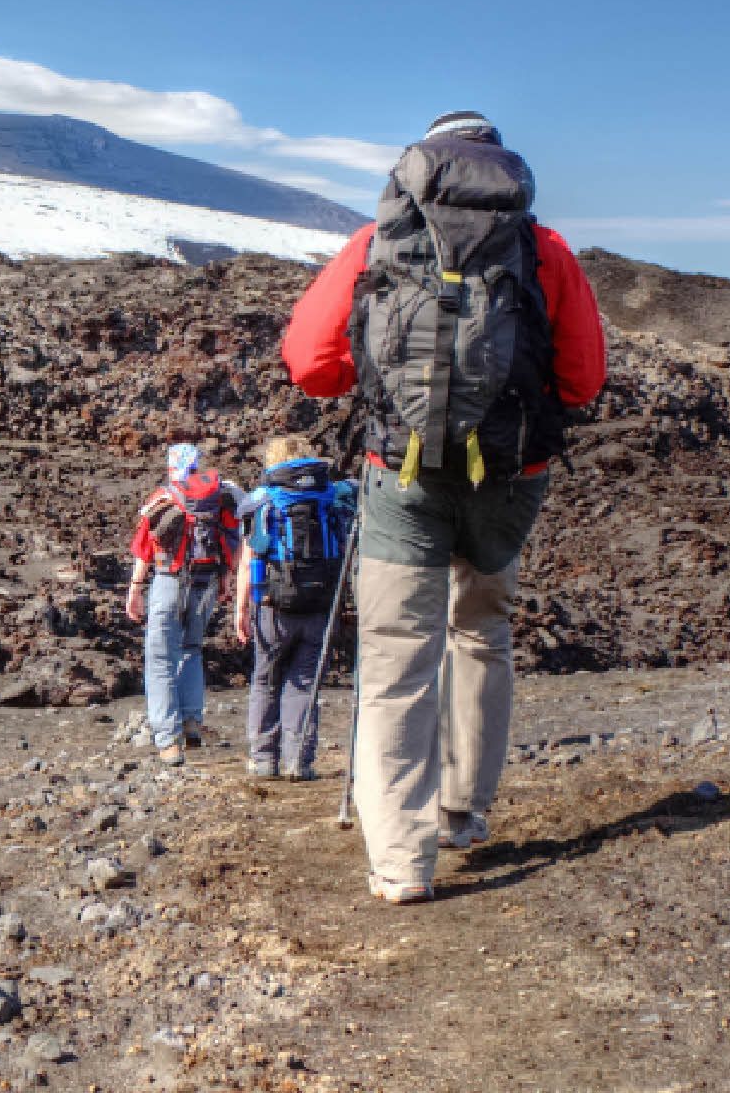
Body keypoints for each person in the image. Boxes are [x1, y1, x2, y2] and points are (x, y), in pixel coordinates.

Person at [282, 110, 607, 904]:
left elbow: (310, 365)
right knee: (481, 632)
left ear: (420, 164)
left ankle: (400, 860)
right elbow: (583, 380)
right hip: (508, 475)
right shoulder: (544, 249)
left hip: (403, 474)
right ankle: (464, 811)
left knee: (396, 657)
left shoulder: (377, 241)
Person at [234, 437, 355, 781]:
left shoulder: (265, 500)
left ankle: (263, 760)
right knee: (304, 682)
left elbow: (250, 558)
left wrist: (241, 608)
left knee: (265, 679)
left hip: (274, 606)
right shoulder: (331, 495)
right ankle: (298, 762)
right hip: (321, 602)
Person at [128, 442, 239, 767]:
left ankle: (167, 740)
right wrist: (227, 580)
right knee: (192, 649)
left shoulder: (162, 498)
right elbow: (232, 541)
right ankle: (192, 723)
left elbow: (144, 548)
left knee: (160, 658)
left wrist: (135, 588)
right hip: (206, 583)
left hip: (168, 581)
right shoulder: (219, 498)